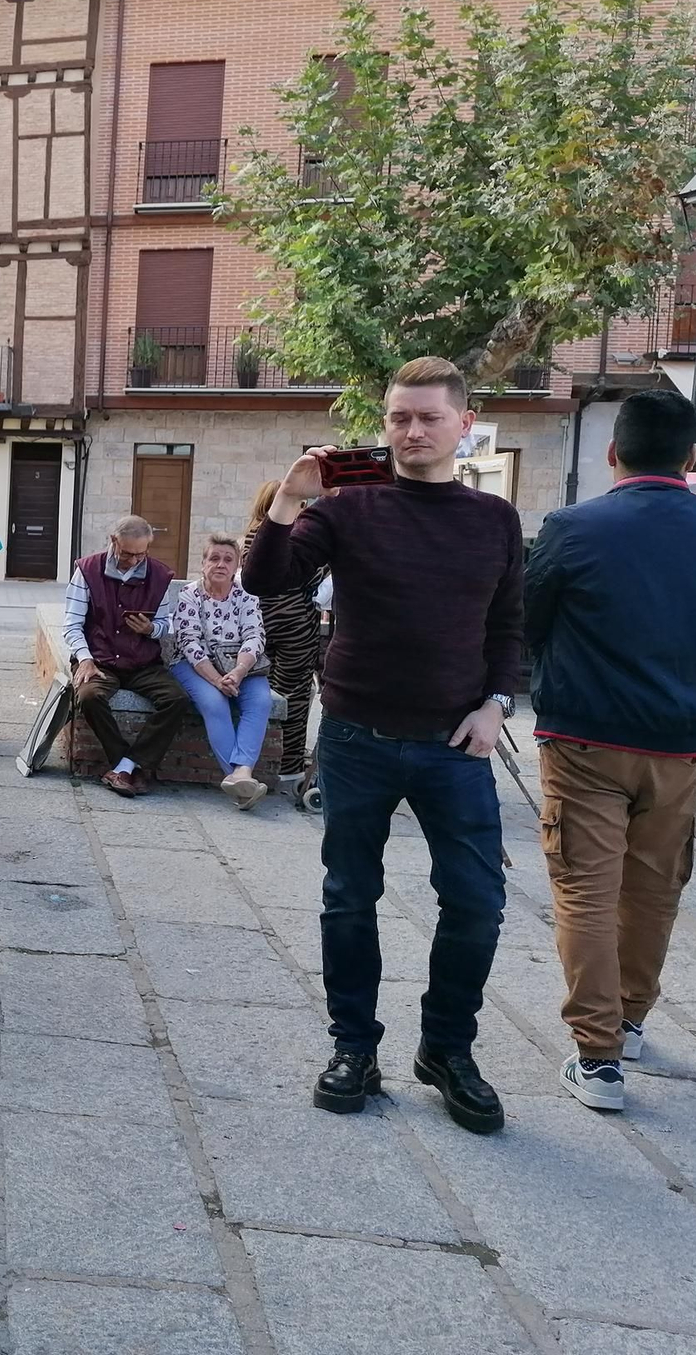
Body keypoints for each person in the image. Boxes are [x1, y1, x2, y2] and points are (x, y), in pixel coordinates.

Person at [245, 357, 523, 1136]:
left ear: (464, 425)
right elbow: (270, 581)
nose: (412, 431)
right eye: (399, 417)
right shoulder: (350, 509)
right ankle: (354, 1049)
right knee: (348, 896)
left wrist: (498, 705)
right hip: (357, 737)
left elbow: (508, 627)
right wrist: (291, 501)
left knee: (476, 904)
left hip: (455, 742)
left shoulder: (493, 520)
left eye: (429, 417)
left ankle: (447, 1050)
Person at [524, 389, 696, 1110]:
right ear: (693, 458)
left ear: (613, 452)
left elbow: (530, 618)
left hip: (584, 735)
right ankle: (633, 1021)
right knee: (654, 889)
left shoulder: (573, 527)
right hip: (679, 744)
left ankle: (598, 1056)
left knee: (585, 886)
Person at [64, 516, 189, 799]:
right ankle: (126, 764)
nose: (134, 560)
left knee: (177, 699)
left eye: (141, 554)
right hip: (99, 659)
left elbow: (166, 624)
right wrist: (84, 659)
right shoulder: (87, 570)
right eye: (128, 553)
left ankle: (130, 765)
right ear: (113, 542)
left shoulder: (159, 575)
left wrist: (150, 629)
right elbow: (71, 624)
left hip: (142, 661)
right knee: (88, 697)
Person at [171, 533, 273, 810]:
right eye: (214, 558)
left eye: (228, 559)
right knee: (215, 703)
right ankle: (241, 784)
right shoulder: (189, 595)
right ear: (203, 563)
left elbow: (255, 636)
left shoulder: (246, 595)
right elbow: (188, 642)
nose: (220, 564)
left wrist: (238, 672)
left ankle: (241, 775)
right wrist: (217, 680)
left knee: (261, 701)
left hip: (239, 666)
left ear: (236, 565)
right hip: (195, 665)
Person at [244, 480, 325, 787]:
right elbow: (310, 574)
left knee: (262, 693)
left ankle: (260, 757)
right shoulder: (296, 535)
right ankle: (288, 765)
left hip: (262, 623)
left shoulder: (255, 534)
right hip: (296, 626)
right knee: (295, 694)